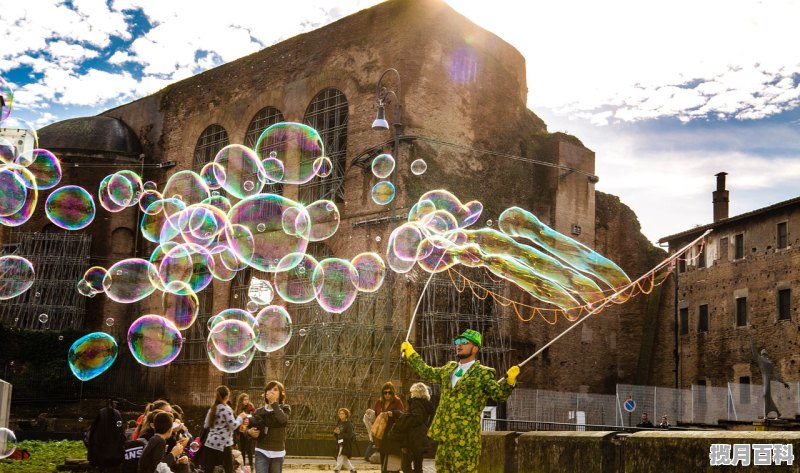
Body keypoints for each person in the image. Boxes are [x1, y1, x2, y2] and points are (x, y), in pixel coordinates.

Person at [401, 329, 519, 473]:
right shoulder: (449, 368)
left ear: (475, 348)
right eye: (458, 341)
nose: (459, 344)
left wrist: (510, 382)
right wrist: (411, 354)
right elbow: (426, 371)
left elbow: (499, 395)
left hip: (466, 439)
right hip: (444, 437)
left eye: (465, 342)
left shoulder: (483, 373)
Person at [248, 380, 291, 473]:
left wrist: (274, 404)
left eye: (275, 390)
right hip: (261, 451)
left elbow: (283, 420)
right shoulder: (259, 411)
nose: (271, 391)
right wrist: (249, 433)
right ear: (265, 393)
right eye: (269, 389)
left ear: (281, 394)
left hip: (278, 453)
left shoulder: (285, 408)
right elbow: (247, 428)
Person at [203, 385, 248, 473]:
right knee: (229, 469)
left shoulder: (212, 409)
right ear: (227, 396)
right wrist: (240, 417)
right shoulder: (226, 409)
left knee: (209, 469)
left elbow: (206, 425)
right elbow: (234, 425)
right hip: (223, 444)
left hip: (210, 443)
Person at [400, 382, 435, 473]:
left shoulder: (415, 403)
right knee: (418, 464)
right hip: (422, 436)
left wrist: (405, 420)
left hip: (412, 437)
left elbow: (416, 418)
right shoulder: (428, 404)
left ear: (416, 392)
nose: (411, 394)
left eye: (412, 392)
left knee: (405, 465)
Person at [372, 381, 404, 472]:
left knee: (392, 458)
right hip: (381, 433)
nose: (387, 395)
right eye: (385, 393)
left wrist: (393, 413)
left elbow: (402, 415)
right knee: (383, 456)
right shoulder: (379, 402)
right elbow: (375, 414)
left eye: (389, 392)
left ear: (393, 393)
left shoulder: (397, 401)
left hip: (392, 434)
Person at [752, 341, 790, 418]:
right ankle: (777, 413)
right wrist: (783, 382)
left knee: (765, 395)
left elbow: (776, 374)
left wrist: (783, 382)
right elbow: (777, 375)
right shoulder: (766, 361)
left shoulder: (765, 361)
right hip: (765, 379)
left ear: (763, 354)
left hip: (766, 379)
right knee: (766, 396)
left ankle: (766, 415)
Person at [234, 392, 256, 469]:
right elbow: (237, 418)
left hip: (248, 430)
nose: (246, 401)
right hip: (240, 431)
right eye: (244, 400)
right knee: (242, 450)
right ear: (241, 401)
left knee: (249, 449)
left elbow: (254, 416)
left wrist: (247, 416)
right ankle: (242, 466)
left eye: (247, 399)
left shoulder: (251, 407)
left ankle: (251, 465)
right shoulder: (238, 409)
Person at [333, 408, 357, 473]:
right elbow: (337, 433)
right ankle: (352, 470)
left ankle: (337, 469)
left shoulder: (349, 424)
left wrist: (340, 433)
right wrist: (335, 432)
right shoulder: (339, 422)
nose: (341, 415)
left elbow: (349, 436)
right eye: (340, 413)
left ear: (346, 415)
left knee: (340, 455)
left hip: (346, 444)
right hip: (339, 442)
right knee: (344, 458)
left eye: (342, 413)